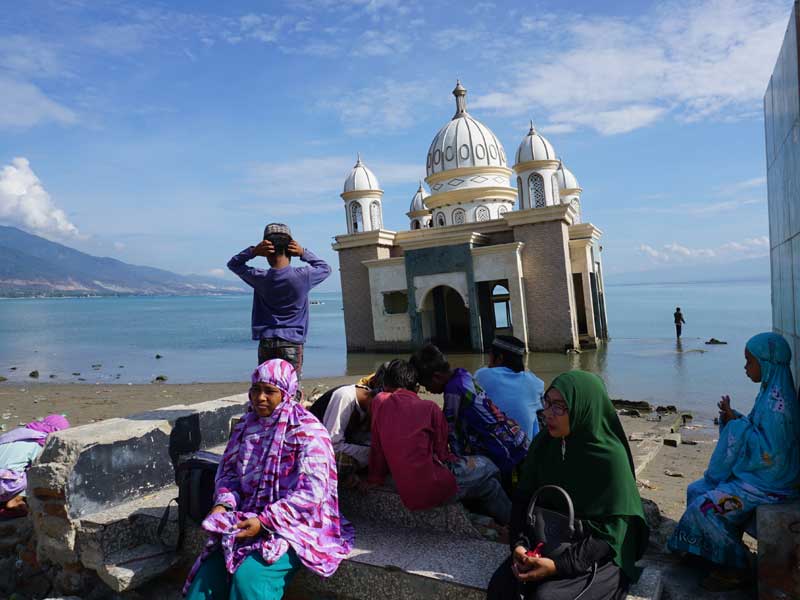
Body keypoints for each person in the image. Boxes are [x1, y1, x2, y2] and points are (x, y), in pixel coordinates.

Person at [183, 359, 352, 600]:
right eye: (256, 390)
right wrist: (224, 505)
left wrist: (265, 522)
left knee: (249, 579)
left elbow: (312, 493)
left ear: (287, 394)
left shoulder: (308, 432)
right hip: (246, 517)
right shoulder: (246, 428)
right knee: (205, 582)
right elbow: (229, 474)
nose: (260, 398)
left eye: (270, 391)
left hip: (294, 524)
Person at [487, 371, 649, 600]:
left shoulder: (610, 457)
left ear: (583, 408)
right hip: (548, 537)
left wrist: (557, 566)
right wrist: (520, 545)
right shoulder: (544, 444)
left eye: (560, 407)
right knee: (501, 588)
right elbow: (523, 499)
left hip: (597, 551)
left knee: (547, 597)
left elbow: (612, 533)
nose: (548, 414)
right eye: (548, 403)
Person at [668, 332, 799, 590]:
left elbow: (772, 456)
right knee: (696, 490)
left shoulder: (779, 407)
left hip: (771, 487)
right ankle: (705, 552)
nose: (745, 368)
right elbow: (756, 430)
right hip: (757, 478)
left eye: (750, 362)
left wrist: (735, 426)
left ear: (768, 363)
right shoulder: (769, 393)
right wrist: (734, 417)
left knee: (704, 509)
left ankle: (736, 567)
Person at [368, 359, 511, 524]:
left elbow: (377, 448)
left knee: (489, 486)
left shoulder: (379, 402)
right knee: (489, 464)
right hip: (434, 489)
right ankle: (516, 523)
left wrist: (374, 479)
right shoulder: (430, 408)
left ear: (386, 384)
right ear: (416, 387)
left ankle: (499, 519)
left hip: (406, 489)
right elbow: (444, 456)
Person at [227, 223, 331, 378]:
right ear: (290, 249)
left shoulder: (258, 277)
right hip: (292, 341)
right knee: (290, 387)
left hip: (266, 340)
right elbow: (325, 268)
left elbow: (233, 264)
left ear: (266, 251)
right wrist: (303, 252)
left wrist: (253, 252)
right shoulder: (304, 276)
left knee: (268, 383)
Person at [410, 344, 529, 475]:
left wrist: (454, 460)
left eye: (426, 385)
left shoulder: (453, 391)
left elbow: (449, 429)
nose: (427, 390)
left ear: (437, 377)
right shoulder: (462, 374)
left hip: (500, 447)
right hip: (515, 437)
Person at [319, 365, 387, 484]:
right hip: (318, 449)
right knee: (341, 462)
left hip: (341, 446)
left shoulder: (369, 407)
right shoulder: (345, 397)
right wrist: (373, 454)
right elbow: (332, 445)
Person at [475, 335, 544, 441]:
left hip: (493, 449)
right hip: (525, 450)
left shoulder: (482, 375)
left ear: (499, 358)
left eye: (490, 354)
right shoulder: (535, 383)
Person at [0, 415, 70, 517]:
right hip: (4, 484)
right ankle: (14, 501)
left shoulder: (18, 434)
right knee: (38, 473)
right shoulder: (41, 441)